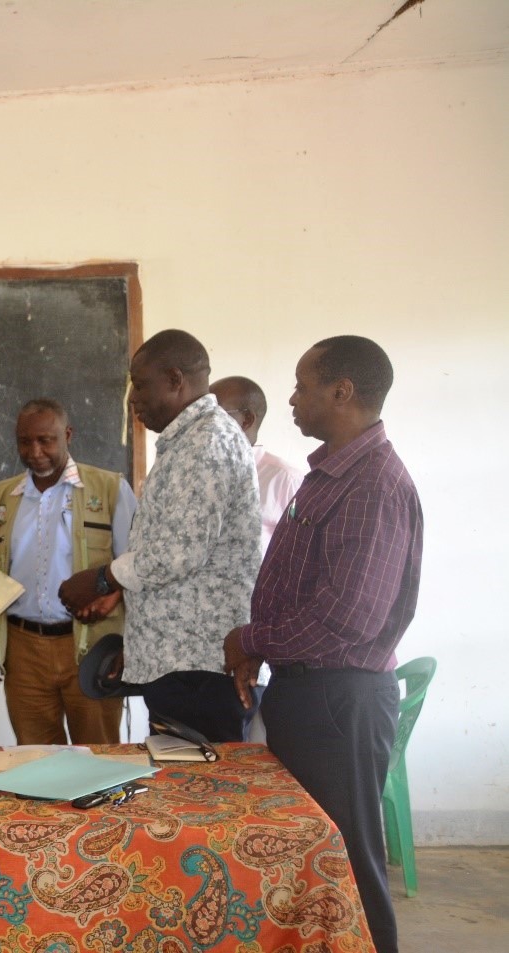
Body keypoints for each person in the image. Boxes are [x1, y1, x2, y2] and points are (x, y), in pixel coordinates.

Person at [224, 336, 422, 953]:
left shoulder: (371, 485)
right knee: (318, 863)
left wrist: (253, 638)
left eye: (303, 385)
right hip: (313, 692)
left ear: (343, 392)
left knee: (350, 862)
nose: (291, 398)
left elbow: (349, 619)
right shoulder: (333, 471)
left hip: (339, 699)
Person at [59, 330, 260, 742]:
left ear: (174, 379)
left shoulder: (207, 442)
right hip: (179, 658)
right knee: (180, 788)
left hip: (198, 667)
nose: (132, 398)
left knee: (200, 794)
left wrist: (100, 579)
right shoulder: (187, 441)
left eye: (140, 383)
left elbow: (177, 554)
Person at [0, 399, 137, 745]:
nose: (35, 452)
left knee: (98, 757)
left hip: (92, 646)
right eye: (25, 442)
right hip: (23, 649)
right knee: (36, 759)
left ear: (68, 435)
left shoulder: (109, 489)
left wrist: (120, 619)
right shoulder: (0, 498)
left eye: (46, 440)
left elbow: (138, 565)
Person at [211, 375, 306, 553]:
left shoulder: (284, 478)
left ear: (246, 420)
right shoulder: (201, 474)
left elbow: (299, 552)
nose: (202, 425)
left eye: (213, 415)